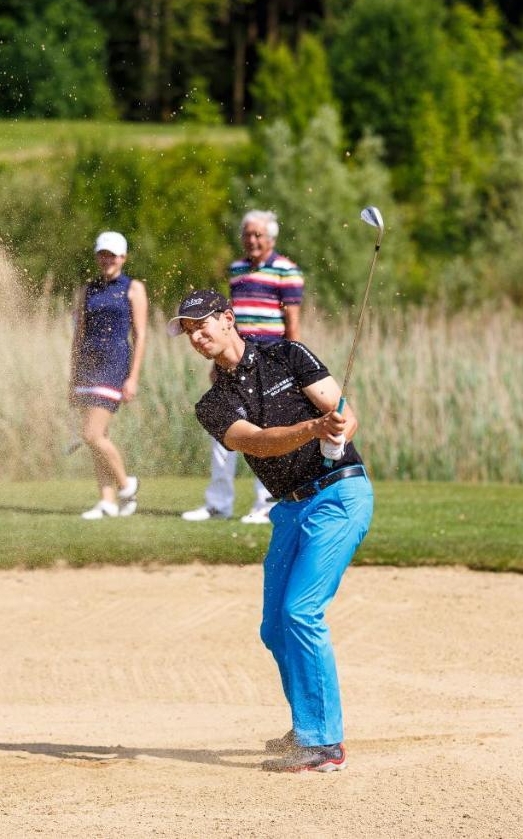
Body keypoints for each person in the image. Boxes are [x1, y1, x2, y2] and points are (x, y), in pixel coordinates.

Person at [168, 289, 373, 773]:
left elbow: (343, 413)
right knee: (275, 627)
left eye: (202, 324)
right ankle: (308, 724)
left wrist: (340, 424)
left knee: (300, 611)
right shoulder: (214, 403)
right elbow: (256, 443)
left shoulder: (287, 353)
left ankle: (324, 745)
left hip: (339, 495)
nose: (197, 336)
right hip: (289, 510)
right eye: (189, 330)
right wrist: (313, 428)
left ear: (227, 318)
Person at [181, 210, 304, 525]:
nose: (252, 240)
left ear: (271, 238)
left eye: (258, 235)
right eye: (247, 234)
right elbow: (227, 321)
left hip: (268, 363)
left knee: (266, 429)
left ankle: (265, 503)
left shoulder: (286, 271)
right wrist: (217, 363)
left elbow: (292, 325)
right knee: (223, 429)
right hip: (230, 362)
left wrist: (287, 365)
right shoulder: (236, 270)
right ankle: (217, 504)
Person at [70, 231, 147, 519]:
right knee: (99, 435)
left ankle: (127, 486)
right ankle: (107, 501)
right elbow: (78, 336)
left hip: (114, 366)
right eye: (103, 254)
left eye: (113, 255)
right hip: (87, 366)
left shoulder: (133, 288)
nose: (107, 260)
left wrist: (133, 377)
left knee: (90, 434)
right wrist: (73, 376)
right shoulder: (86, 290)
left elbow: (140, 336)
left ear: (123, 258)